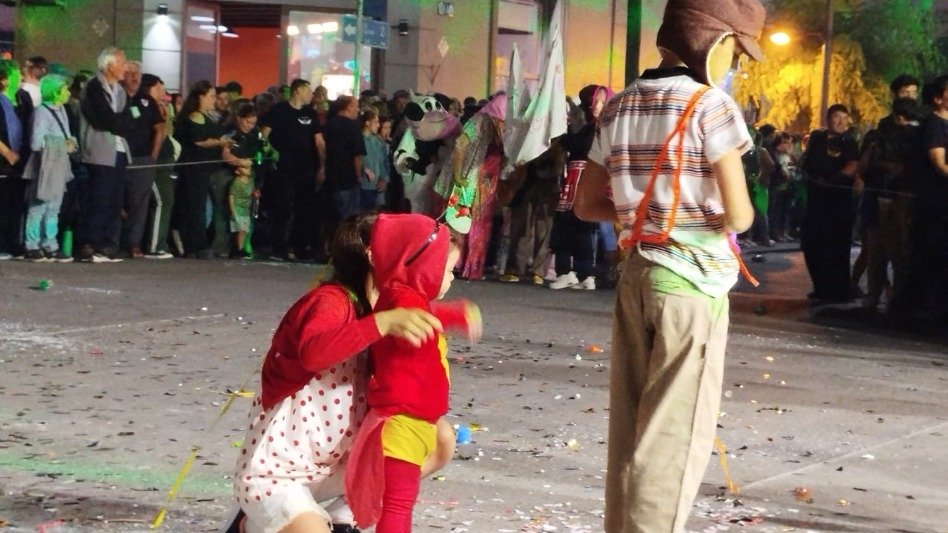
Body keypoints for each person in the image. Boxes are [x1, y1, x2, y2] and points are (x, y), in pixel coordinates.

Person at [572, 0, 762, 530]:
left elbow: (586, 204)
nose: (735, 64)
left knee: (629, 430)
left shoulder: (618, 106)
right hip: (691, 286)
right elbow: (740, 215)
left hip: (636, 277)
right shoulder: (711, 106)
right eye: (736, 51)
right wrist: (692, 215)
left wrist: (645, 212)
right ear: (713, 41)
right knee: (671, 442)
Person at [232, 214, 457, 533]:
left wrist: (456, 317)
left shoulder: (389, 305)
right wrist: (381, 324)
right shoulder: (331, 300)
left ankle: (340, 520)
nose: (444, 277)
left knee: (438, 438)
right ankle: (254, 524)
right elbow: (314, 353)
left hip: (339, 461)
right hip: (281, 468)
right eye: (443, 268)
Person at [345, 214, 481, 532]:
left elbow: (425, 314)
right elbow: (417, 320)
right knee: (397, 505)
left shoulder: (403, 296)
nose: (451, 279)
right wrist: (455, 316)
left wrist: (455, 315)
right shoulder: (403, 300)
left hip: (412, 421)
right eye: (447, 270)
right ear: (422, 266)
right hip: (402, 423)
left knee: (399, 503)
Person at [548, 85, 610, 290]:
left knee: (570, 224)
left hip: (581, 177)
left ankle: (570, 271)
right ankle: (582, 273)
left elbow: (578, 145)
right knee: (580, 226)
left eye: (603, 101)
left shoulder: (596, 128)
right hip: (581, 177)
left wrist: (563, 136)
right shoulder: (593, 125)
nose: (599, 106)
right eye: (597, 101)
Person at [259, 78, 325, 261]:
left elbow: (319, 141)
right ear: (298, 91)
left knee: (304, 209)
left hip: (307, 169)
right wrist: (271, 151)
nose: (311, 95)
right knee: (282, 209)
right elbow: (263, 135)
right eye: (308, 91)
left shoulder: (310, 113)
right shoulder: (279, 110)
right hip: (284, 169)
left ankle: (300, 247)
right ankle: (278, 248)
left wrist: (322, 166)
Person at [801, 104, 861, 302]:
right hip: (815, 201)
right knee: (813, 244)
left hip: (838, 203)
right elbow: (808, 161)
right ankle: (820, 286)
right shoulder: (817, 138)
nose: (841, 121)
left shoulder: (849, 142)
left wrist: (834, 180)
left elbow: (853, 165)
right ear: (828, 119)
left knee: (836, 247)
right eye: (837, 117)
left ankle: (838, 290)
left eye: (845, 117)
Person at [78, 46, 130, 263]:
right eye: (122, 63)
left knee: (115, 200)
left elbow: (128, 120)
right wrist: (120, 124)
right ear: (109, 65)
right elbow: (102, 119)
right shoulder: (92, 87)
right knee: (99, 199)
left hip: (119, 150)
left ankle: (108, 244)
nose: (126, 68)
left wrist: (120, 124)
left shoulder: (121, 91)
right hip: (99, 151)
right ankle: (91, 243)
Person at [175, 81, 232, 259]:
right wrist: (220, 142)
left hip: (203, 168)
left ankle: (196, 243)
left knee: (199, 206)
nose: (214, 100)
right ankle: (194, 244)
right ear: (201, 97)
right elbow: (199, 141)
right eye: (212, 96)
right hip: (193, 168)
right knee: (195, 206)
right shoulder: (195, 116)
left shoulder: (207, 116)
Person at [21, 74, 75, 262]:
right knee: (38, 207)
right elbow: (36, 143)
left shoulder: (62, 110)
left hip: (59, 165)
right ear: (55, 92)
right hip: (45, 165)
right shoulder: (41, 112)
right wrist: (61, 144)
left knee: (54, 208)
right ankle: (32, 245)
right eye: (64, 89)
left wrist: (69, 144)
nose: (68, 92)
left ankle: (50, 244)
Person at [120, 61, 164, 258]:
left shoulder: (147, 100)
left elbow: (159, 128)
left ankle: (133, 244)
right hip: (118, 157)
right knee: (115, 200)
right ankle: (113, 242)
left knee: (139, 203)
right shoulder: (115, 96)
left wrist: (153, 156)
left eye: (137, 74)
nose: (135, 78)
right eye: (130, 74)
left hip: (143, 159)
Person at [223, 103, 265, 259]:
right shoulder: (231, 132)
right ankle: (226, 246)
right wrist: (240, 162)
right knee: (229, 212)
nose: (250, 126)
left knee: (249, 212)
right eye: (247, 122)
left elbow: (263, 147)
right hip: (230, 173)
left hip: (249, 175)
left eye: (253, 123)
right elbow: (225, 154)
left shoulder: (256, 133)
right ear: (239, 118)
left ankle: (244, 245)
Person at [141, 74, 176, 259]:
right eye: (159, 89)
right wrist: (152, 160)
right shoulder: (146, 107)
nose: (164, 94)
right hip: (154, 162)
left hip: (165, 162)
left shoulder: (161, 108)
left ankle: (159, 242)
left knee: (166, 200)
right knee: (162, 200)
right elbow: (156, 133)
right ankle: (154, 245)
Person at [323, 95, 366, 224]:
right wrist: (358, 175)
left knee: (331, 217)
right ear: (349, 107)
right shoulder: (353, 127)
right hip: (348, 179)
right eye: (356, 106)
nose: (358, 110)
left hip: (329, 178)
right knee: (348, 218)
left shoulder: (328, 125)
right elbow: (358, 155)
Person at [0, 59, 24, 260]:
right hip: (4, 160)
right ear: (5, 80)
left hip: (18, 163)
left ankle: (12, 243)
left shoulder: (21, 100)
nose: (21, 77)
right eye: (17, 74)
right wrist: (7, 152)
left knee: (14, 204)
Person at [359, 108, 390, 210]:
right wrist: (364, 169)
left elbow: (382, 161)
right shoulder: (359, 139)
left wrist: (384, 179)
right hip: (364, 186)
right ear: (367, 123)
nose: (378, 125)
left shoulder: (377, 141)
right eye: (376, 122)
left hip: (377, 186)